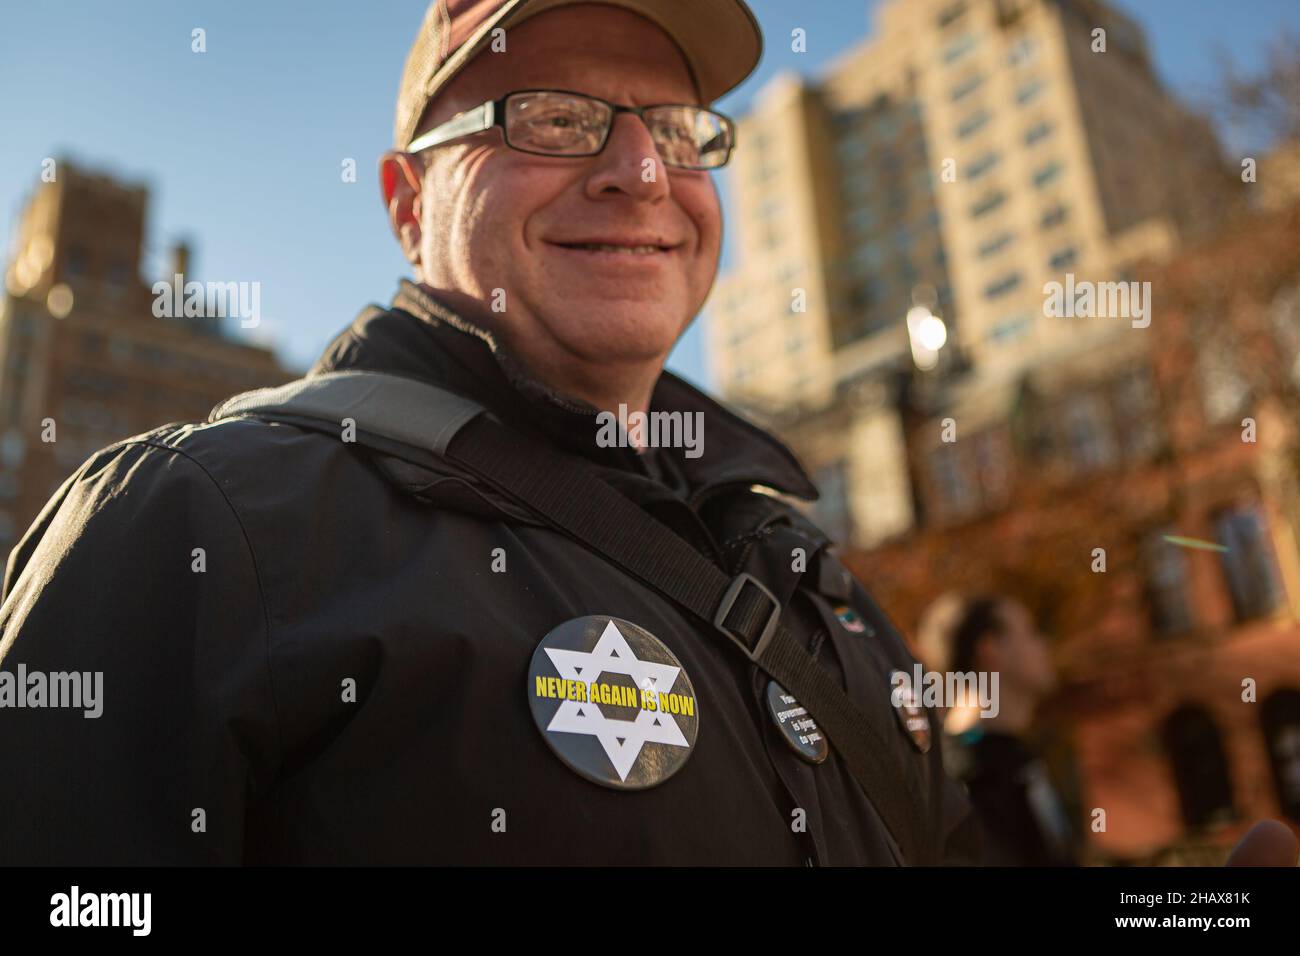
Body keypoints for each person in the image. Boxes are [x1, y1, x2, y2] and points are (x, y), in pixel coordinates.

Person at [0, 0, 980, 865]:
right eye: (554, 118)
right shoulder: (197, 523)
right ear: (407, 205)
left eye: (679, 132)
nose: (642, 172)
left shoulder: (806, 572)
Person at [928, 595, 1082, 866]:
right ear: (990, 651)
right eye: (1031, 632)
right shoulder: (965, 781)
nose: (1044, 644)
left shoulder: (1012, 760)